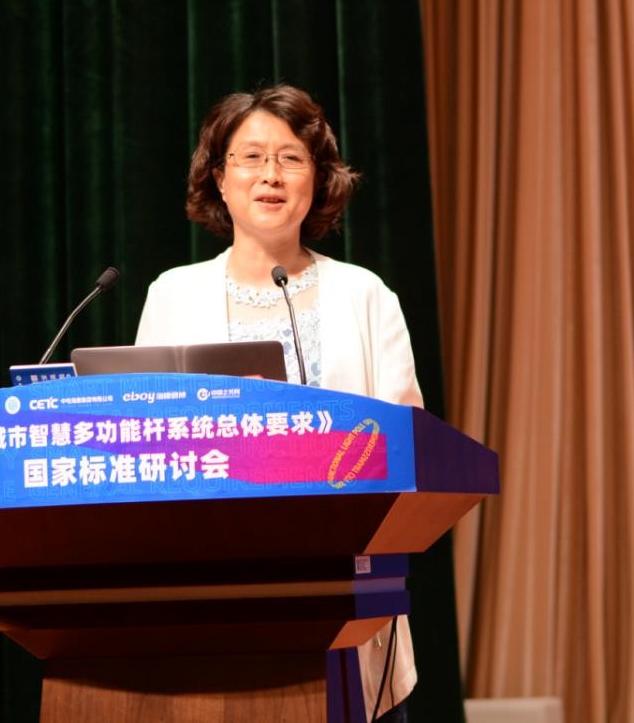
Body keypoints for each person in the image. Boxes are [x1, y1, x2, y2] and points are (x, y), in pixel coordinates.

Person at [135, 84, 420, 721]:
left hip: (348, 591)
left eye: (291, 158)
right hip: (212, 591)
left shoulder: (365, 294)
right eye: (251, 157)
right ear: (220, 178)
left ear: (317, 179)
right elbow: (147, 439)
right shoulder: (173, 295)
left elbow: (409, 443)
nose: (271, 175)